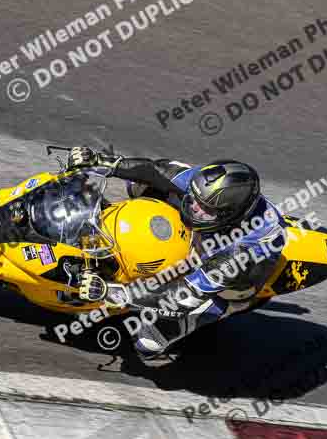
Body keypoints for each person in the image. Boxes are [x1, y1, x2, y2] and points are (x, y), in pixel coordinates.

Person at [69, 146, 287, 359]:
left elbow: (184, 294)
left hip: (230, 282)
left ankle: (196, 321)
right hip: (210, 235)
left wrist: (111, 292)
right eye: (196, 199)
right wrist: (103, 162)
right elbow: (156, 171)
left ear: (230, 215)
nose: (194, 208)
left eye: (206, 210)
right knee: (139, 185)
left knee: (148, 343)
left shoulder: (240, 254)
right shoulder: (206, 188)